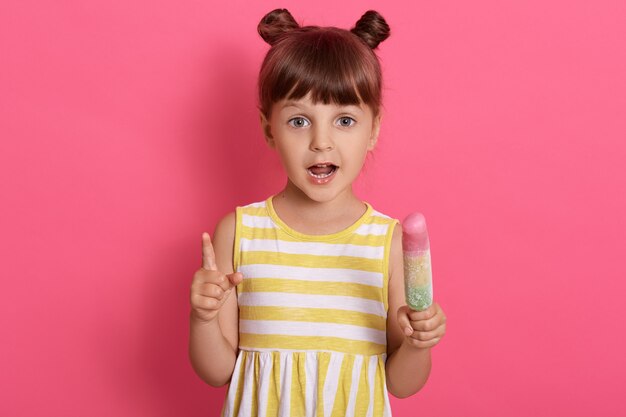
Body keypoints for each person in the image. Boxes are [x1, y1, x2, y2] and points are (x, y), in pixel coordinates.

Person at [189, 8, 447, 416]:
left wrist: (418, 343)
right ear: (268, 128)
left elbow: (401, 384)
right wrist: (203, 319)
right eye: (298, 121)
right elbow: (218, 371)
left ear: (374, 128)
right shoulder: (239, 232)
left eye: (344, 120)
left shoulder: (386, 242)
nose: (321, 142)